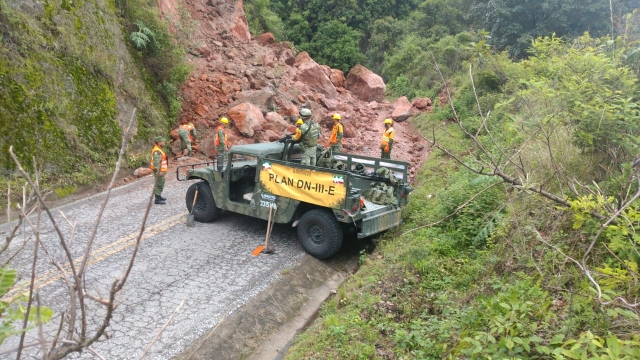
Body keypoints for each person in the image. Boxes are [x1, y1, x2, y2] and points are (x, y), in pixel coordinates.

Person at [150, 136, 168, 205]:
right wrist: (158, 172)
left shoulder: (159, 149)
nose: (164, 143)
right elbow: (156, 163)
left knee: (161, 183)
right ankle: (157, 199)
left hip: (161, 171)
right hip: (159, 171)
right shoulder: (157, 151)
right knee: (159, 184)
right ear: (159, 142)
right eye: (162, 142)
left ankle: (159, 196)